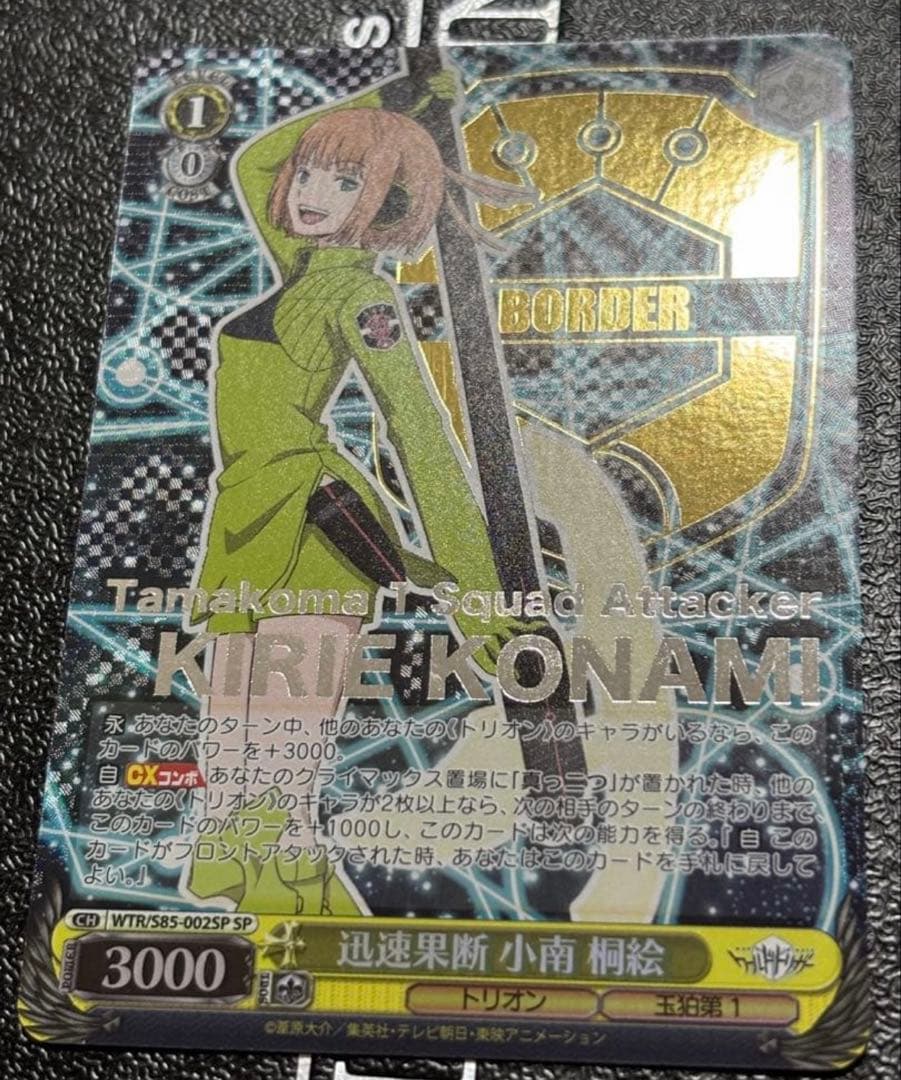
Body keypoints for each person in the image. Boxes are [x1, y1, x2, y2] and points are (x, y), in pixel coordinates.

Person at [186, 90, 532, 915]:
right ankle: (232, 879)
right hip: (242, 519)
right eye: (312, 174)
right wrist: (394, 96)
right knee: (227, 749)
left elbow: (421, 438)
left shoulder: (360, 300)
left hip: (314, 525)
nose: (313, 194)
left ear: (387, 202)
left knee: (281, 754)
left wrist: (479, 599)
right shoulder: (302, 265)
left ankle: (297, 895)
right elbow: (256, 161)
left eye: (348, 183)